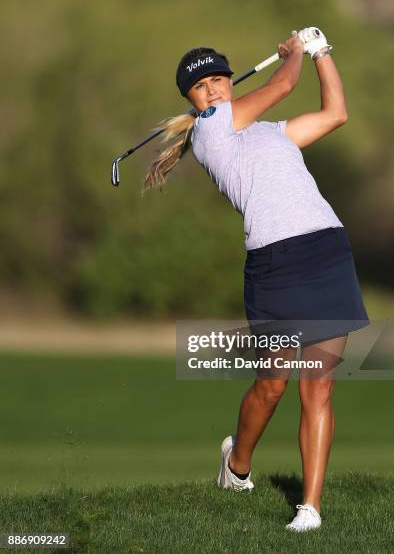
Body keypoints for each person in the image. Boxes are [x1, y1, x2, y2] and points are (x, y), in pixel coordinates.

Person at [144, 28, 369, 532]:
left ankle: (309, 509)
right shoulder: (209, 132)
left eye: (220, 79)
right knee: (272, 384)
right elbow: (283, 87)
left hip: (327, 250)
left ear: (230, 81)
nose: (215, 90)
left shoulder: (272, 132)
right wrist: (291, 55)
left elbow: (336, 114)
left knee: (319, 388)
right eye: (202, 87)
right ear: (191, 99)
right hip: (274, 264)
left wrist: (322, 53)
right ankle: (237, 465)